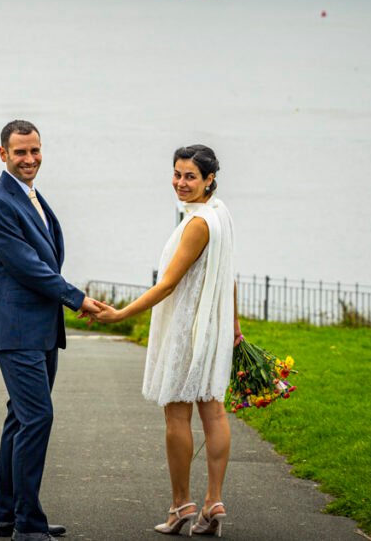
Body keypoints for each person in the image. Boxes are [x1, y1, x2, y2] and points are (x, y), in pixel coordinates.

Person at [83, 144, 242, 537]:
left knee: (177, 416)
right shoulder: (221, 214)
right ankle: (214, 501)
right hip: (213, 328)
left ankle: (181, 504)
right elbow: (229, 275)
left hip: (187, 330)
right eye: (176, 174)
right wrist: (234, 327)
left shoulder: (197, 224)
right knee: (214, 411)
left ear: (209, 179)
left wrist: (120, 314)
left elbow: (168, 284)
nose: (181, 183)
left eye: (190, 176)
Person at [0, 120, 103, 541]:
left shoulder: (31, 195)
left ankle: (10, 517)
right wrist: (77, 298)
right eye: (20, 153)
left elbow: (46, 257)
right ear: (3, 155)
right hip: (16, 329)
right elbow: (27, 267)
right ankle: (28, 525)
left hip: (40, 328)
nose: (29, 159)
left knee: (20, 418)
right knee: (37, 418)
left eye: (35, 151)